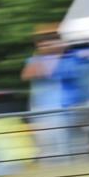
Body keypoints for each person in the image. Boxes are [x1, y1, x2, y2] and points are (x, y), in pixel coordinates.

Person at [21, 25, 69, 163]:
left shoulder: (66, 59)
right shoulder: (34, 60)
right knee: (47, 150)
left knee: (63, 149)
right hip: (41, 112)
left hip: (61, 111)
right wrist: (45, 54)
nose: (46, 44)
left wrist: (58, 52)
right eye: (43, 42)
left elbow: (51, 72)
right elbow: (27, 75)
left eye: (51, 40)